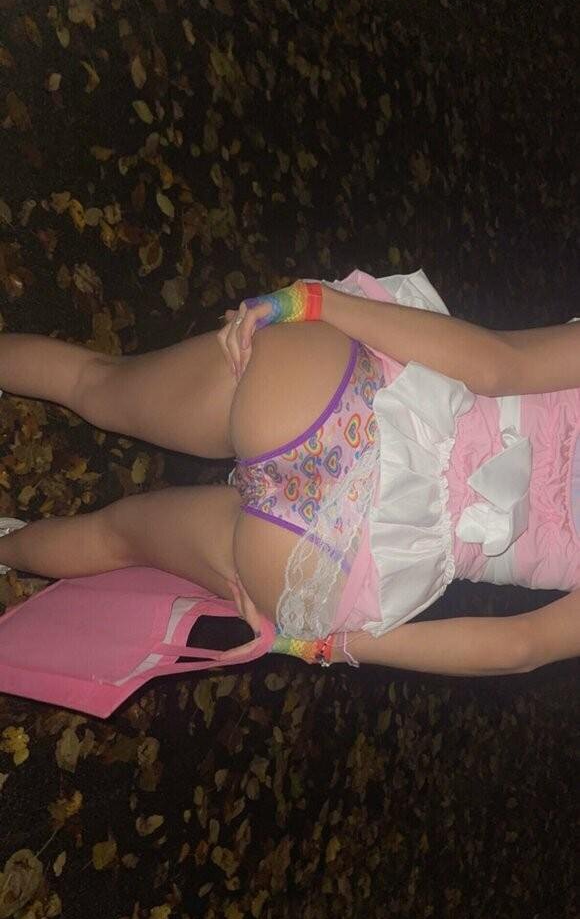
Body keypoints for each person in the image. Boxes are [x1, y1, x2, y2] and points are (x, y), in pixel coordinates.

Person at [1, 268, 579, 678]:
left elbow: (498, 365)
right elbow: (519, 647)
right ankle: (7, 546)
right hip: (347, 555)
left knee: (97, 383)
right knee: (116, 538)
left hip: (346, 400)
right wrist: (328, 646)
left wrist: (317, 303)